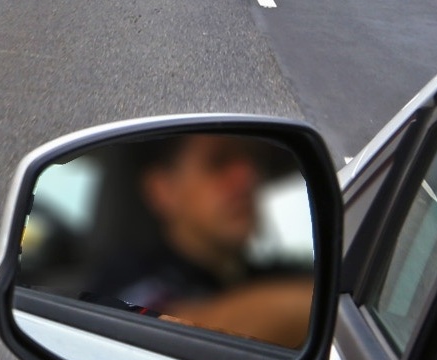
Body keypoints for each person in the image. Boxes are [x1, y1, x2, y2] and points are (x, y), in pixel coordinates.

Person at [86, 133, 313, 348]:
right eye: (218, 161)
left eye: (253, 160)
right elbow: (162, 333)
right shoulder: (127, 276)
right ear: (163, 190)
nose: (247, 176)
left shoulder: (272, 274)